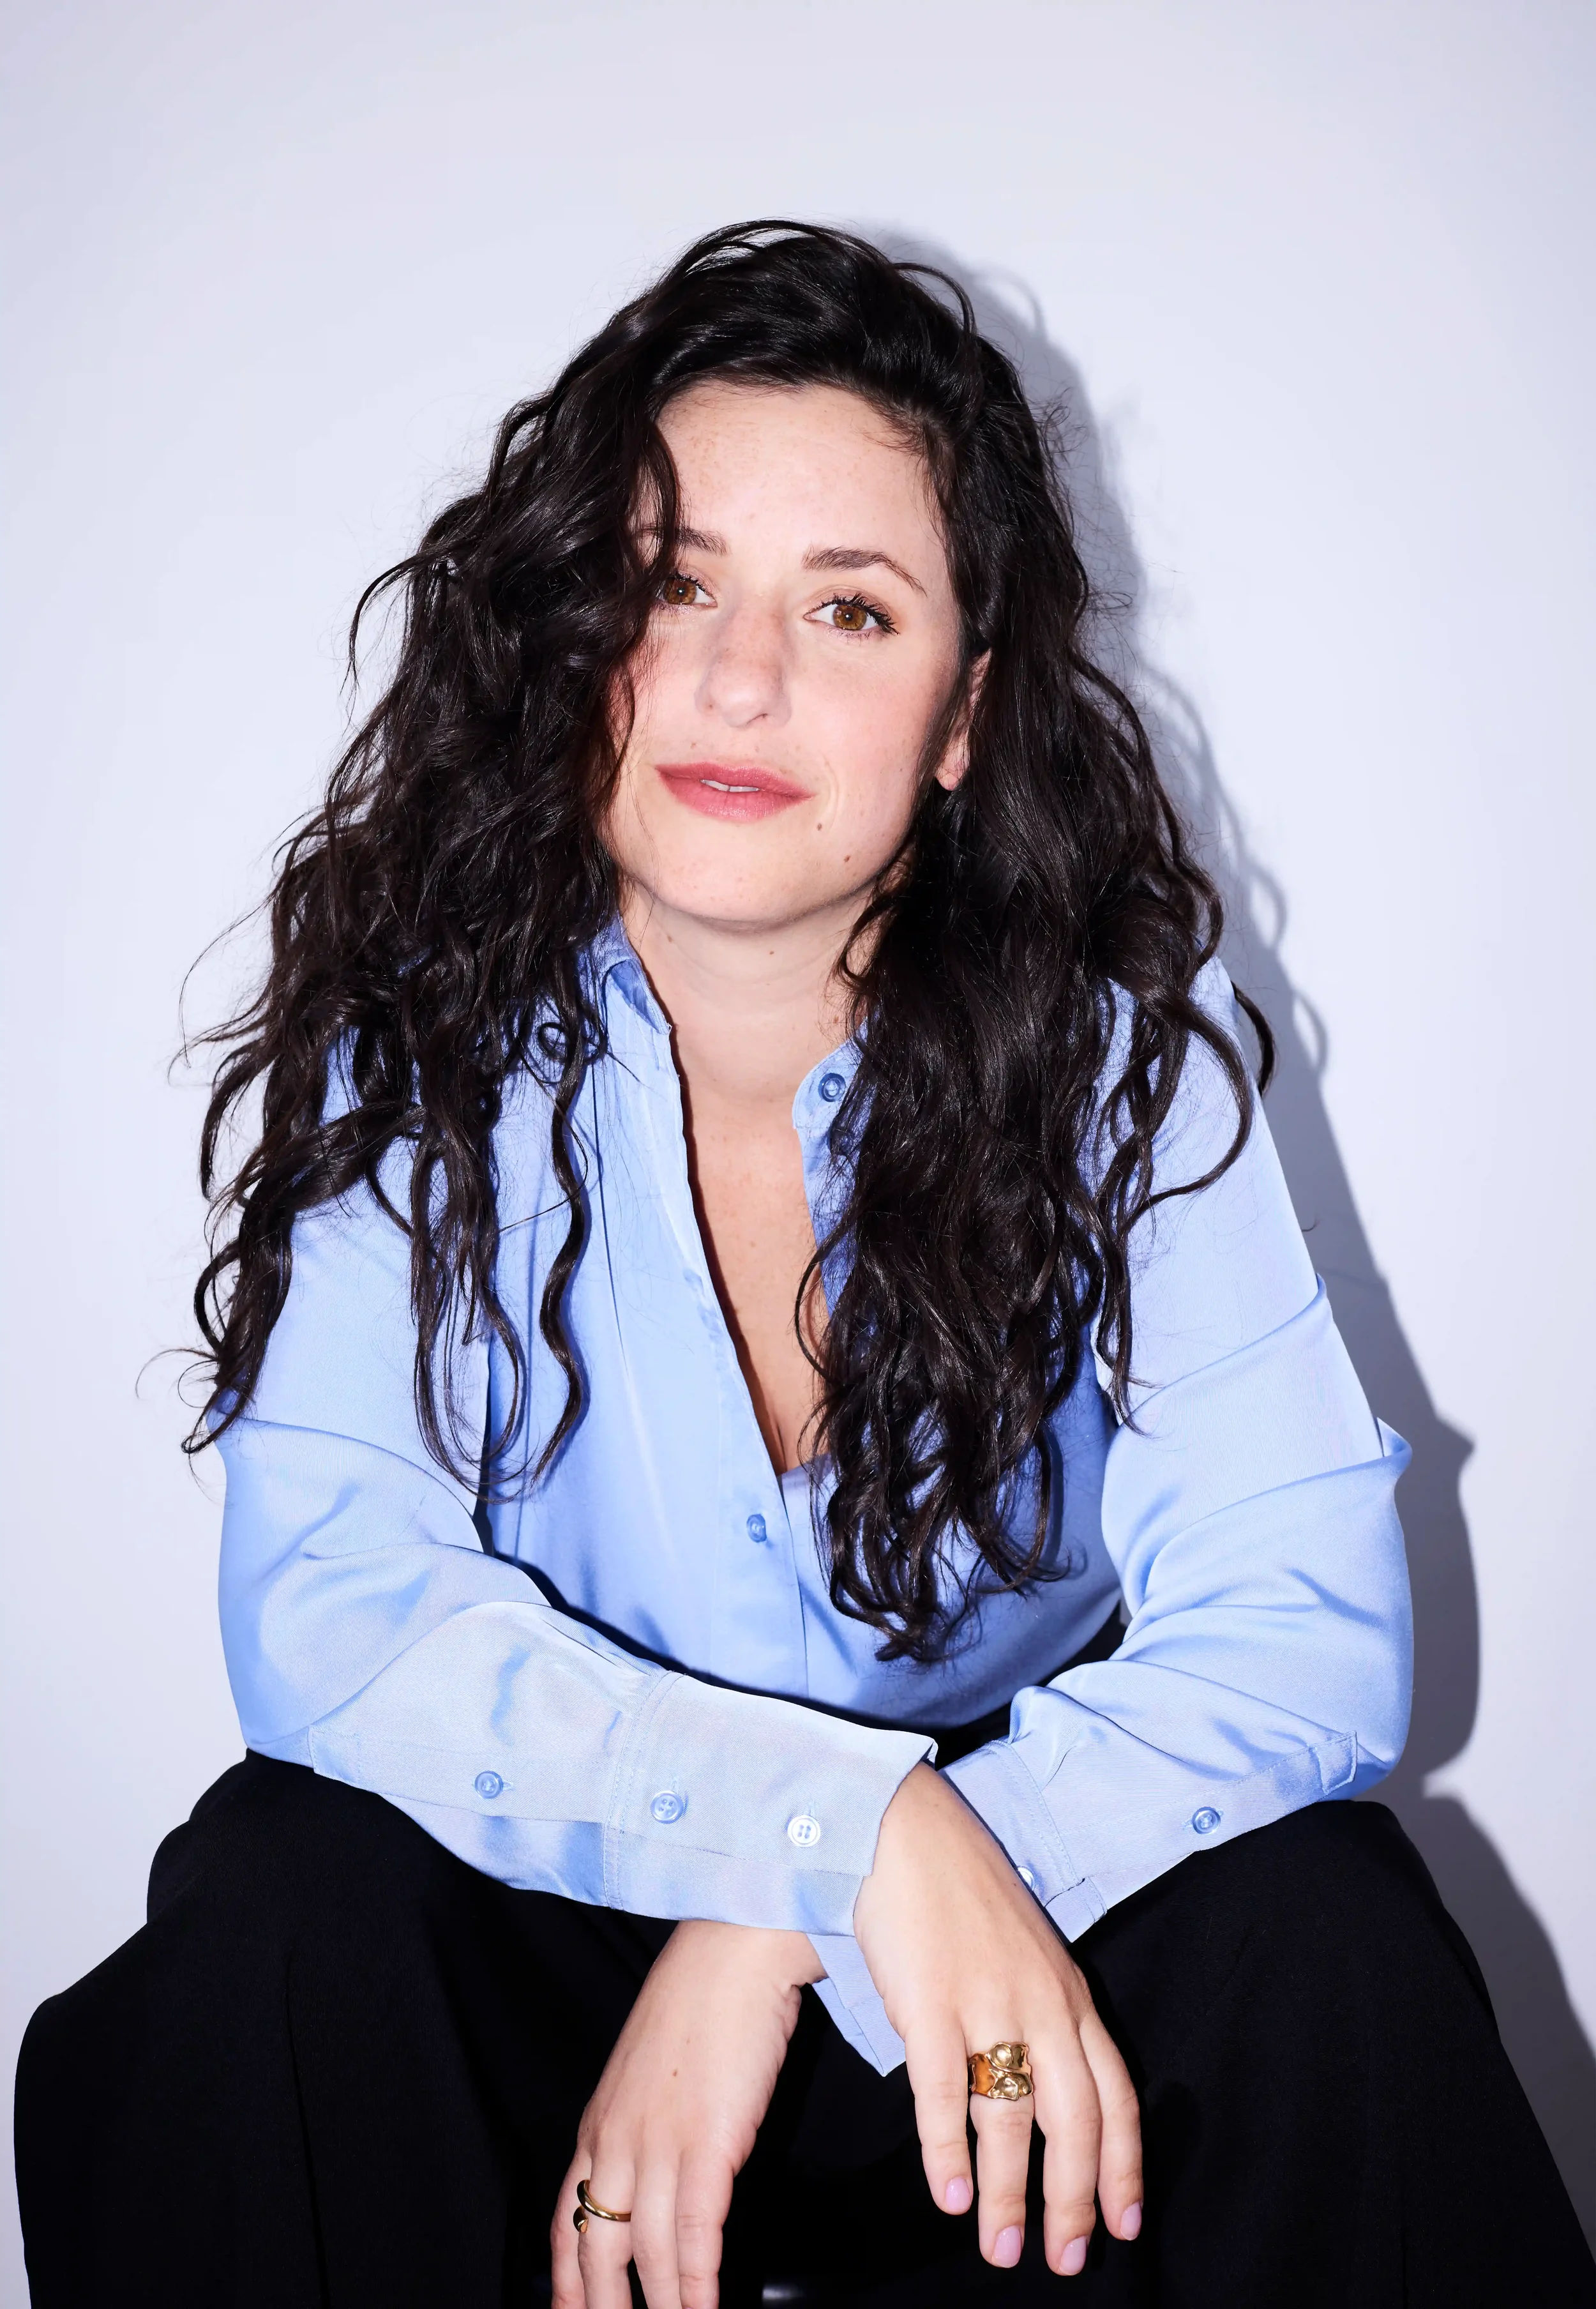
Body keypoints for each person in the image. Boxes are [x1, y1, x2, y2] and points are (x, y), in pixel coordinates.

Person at [15, 222, 1594, 2309]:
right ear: (574, 640)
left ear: (962, 716)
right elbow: (336, 1616)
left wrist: (808, 1901)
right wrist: (815, 1826)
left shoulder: (1114, 1064)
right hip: (556, 1965)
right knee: (280, 1909)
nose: (740, 679)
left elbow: (1297, 1632)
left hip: (987, 1980)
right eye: (673, 585)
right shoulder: (417, 1054)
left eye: (848, 608)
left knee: (1323, 1930)